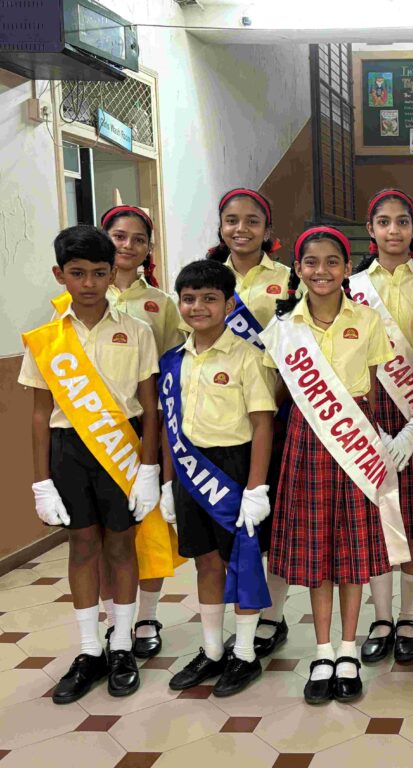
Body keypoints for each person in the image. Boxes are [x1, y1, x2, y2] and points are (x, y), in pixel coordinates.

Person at [262, 226, 409, 705]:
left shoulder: (367, 320)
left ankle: (348, 649)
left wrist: (375, 441)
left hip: (355, 440)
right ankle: (322, 651)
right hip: (306, 440)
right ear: (298, 268)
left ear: (347, 268)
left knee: (351, 551)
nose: (321, 271)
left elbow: (371, 388)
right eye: (311, 262)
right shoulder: (284, 326)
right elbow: (279, 393)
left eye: (331, 262)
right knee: (317, 550)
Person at [21, 225, 160, 702]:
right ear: (59, 274)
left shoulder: (137, 331)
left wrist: (148, 469)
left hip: (121, 448)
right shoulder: (47, 339)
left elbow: (150, 407)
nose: (89, 283)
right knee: (82, 546)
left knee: (121, 545)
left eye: (99, 273)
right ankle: (88, 650)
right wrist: (41, 482)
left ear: (112, 273)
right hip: (69, 450)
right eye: (77, 273)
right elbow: (39, 414)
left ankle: (121, 646)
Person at [51, 205, 186, 658]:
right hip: (82, 437)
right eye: (119, 236)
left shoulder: (161, 304)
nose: (128, 245)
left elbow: (170, 374)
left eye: (138, 238)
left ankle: (145, 617)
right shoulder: (63, 308)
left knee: (146, 532)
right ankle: (113, 624)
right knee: (101, 539)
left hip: (140, 433)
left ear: (149, 247)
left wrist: (159, 457)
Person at [159, 259, 276, 696]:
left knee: (242, 561)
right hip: (189, 471)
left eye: (209, 298)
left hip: (235, 468)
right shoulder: (173, 361)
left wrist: (256, 488)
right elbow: (169, 427)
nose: (198, 307)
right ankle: (211, 650)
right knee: (205, 561)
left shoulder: (248, 357)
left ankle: (243, 653)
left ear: (229, 305)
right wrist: (168, 484)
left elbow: (263, 424)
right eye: (189, 299)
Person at [350, 189, 413, 664]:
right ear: (371, 229)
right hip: (365, 413)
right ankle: (382, 618)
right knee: (374, 516)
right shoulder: (349, 288)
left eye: (402, 221)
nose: (393, 230)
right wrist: (369, 425)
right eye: (383, 221)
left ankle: (409, 617)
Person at [207, 188, 292, 656]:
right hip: (218, 423)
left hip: (274, 416)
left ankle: (271, 618)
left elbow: (298, 351)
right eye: (232, 220)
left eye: (252, 220)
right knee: (228, 524)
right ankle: (237, 617)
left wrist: (272, 404)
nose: (241, 229)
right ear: (221, 226)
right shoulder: (206, 277)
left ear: (267, 228)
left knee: (273, 526)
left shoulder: (289, 279)